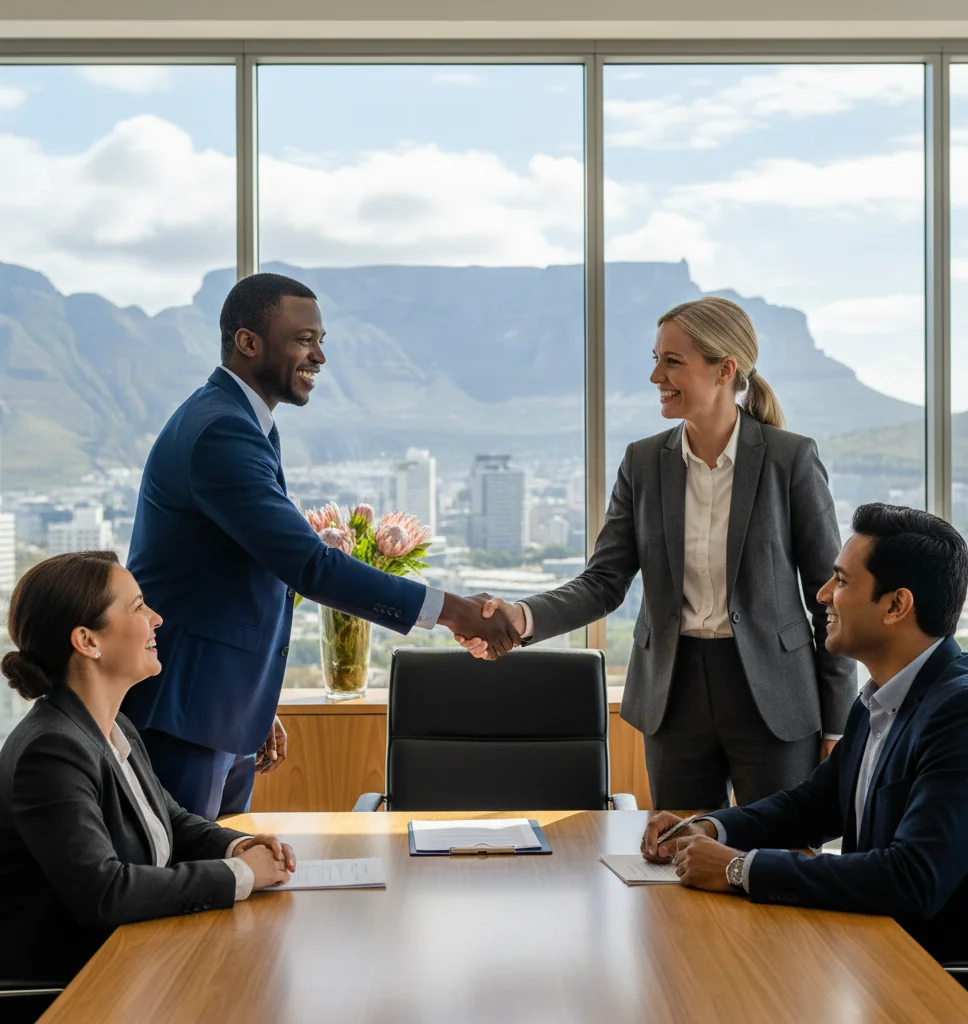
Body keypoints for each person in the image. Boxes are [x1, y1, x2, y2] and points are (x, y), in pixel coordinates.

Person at [122, 273, 520, 820]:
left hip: (220, 706)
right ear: (248, 342)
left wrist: (255, 704)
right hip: (187, 708)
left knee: (224, 872)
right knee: (188, 884)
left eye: (322, 341)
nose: (320, 357)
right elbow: (307, 565)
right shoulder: (220, 431)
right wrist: (453, 612)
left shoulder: (240, 421)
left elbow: (237, 575)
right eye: (304, 340)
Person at [460, 297, 856, 808]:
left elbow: (831, 597)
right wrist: (521, 615)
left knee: (776, 860)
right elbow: (603, 582)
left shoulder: (789, 459)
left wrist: (839, 721)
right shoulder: (643, 463)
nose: (655, 377)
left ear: (724, 370)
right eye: (655, 359)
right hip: (674, 697)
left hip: (776, 700)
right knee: (681, 857)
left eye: (672, 361)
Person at [641, 504, 968, 964]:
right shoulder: (879, 697)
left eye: (841, 581)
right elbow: (813, 806)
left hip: (946, 981)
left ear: (896, 605)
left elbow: (914, 879)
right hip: (877, 956)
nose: (822, 595)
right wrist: (710, 827)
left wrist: (740, 869)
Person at [0, 552, 297, 986]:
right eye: (138, 606)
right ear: (87, 641)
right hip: (74, 990)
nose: (156, 618)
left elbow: (171, 822)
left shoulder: (113, 725)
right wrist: (241, 874)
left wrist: (242, 847)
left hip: (136, 963)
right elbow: (105, 892)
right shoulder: (50, 752)